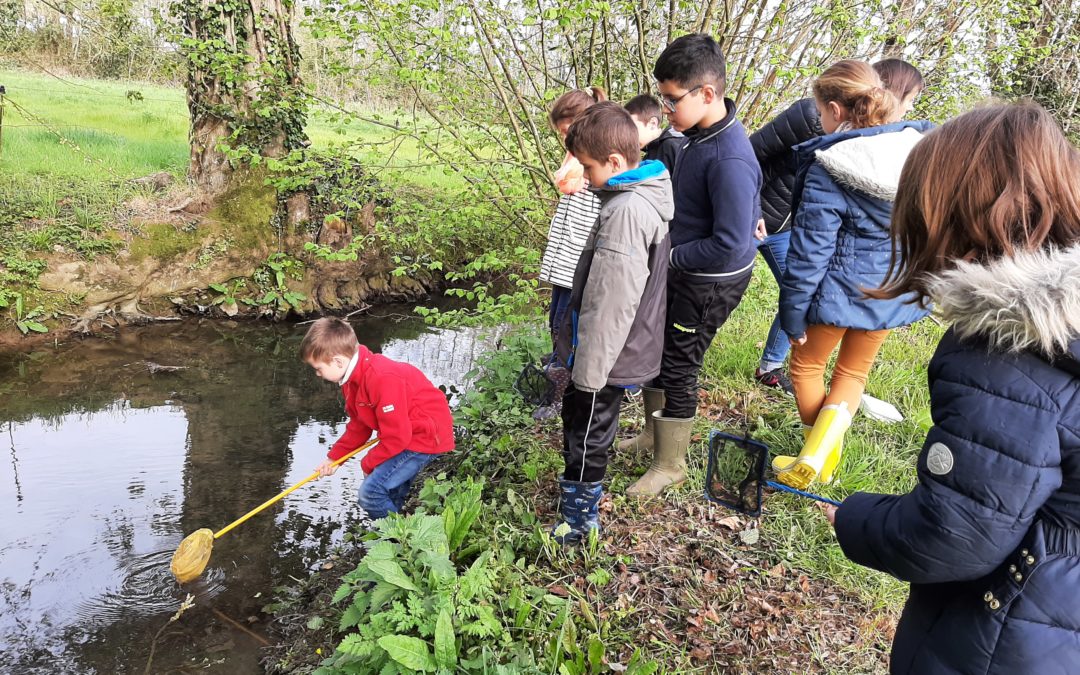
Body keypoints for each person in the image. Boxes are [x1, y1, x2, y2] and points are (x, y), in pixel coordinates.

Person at [825, 102, 1080, 674]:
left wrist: (859, 519)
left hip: (1004, 639)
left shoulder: (1008, 349)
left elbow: (955, 534)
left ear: (958, 219)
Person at [772, 60, 932, 489]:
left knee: (805, 366)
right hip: (893, 290)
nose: (819, 121)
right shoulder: (921, 153)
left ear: (836, 111)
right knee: (853, 374)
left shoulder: (832, 165)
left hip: (837, 293)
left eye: (820, 112)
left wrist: (792, 313)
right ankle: (821, 460)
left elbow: (810, 253)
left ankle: (815, 456)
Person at [620, 33, 762, 497]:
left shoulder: (729, 156)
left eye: (671, 99)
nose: (664, 110)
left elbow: (730, 242)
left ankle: (671, 464)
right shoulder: (696, 137)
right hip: (683, 274)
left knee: (680, 365)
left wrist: (670, 256)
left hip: (709, 284)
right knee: (658, 355)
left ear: (706, 93)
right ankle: (650, 436)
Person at [748, 59, 925, 395]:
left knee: (804, 335)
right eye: (910, 100)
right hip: (769, 219)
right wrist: (753, 206)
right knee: (850, 372)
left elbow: (814, 252)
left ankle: (775, 374)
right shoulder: (808, 117)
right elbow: (752, 155)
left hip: (818, 255)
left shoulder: (848, 158)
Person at [550, 101, 672, 543]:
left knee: (587, 430)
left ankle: (578, 523)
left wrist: (589, 372)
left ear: (615, 162)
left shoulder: (625, 213)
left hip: (609, 349)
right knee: (588, 425)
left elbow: (612, 302)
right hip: (622, 344)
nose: (582, 177)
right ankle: (577, 506)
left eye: (587, 167)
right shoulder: (631, 198)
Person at [302, 317, 454, 520]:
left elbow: (397, 436)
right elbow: (359, 425)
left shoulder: (382, 378)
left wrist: (368, 464)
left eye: (318, 368)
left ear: (338, 361)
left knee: (371, 494)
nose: (318, 374)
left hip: (424, 437)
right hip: (404, 434)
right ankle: (401, 524)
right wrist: (335, 459)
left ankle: (399, 541)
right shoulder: (350, 380)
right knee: (390, 490)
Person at [534, 87, 607, 420]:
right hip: (564, 262)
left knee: (567, 327)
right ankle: (555, 377)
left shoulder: (598, 159)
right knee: (555, 320)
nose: (564, 139)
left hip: (579, 262)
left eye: (566, 131)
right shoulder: (576, 157)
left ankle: (560, 397)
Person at [624, 94, 685, 173]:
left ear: (652, 123)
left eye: (631, 127)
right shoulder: (653, 151)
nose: (627, 133)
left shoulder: (668, 147)